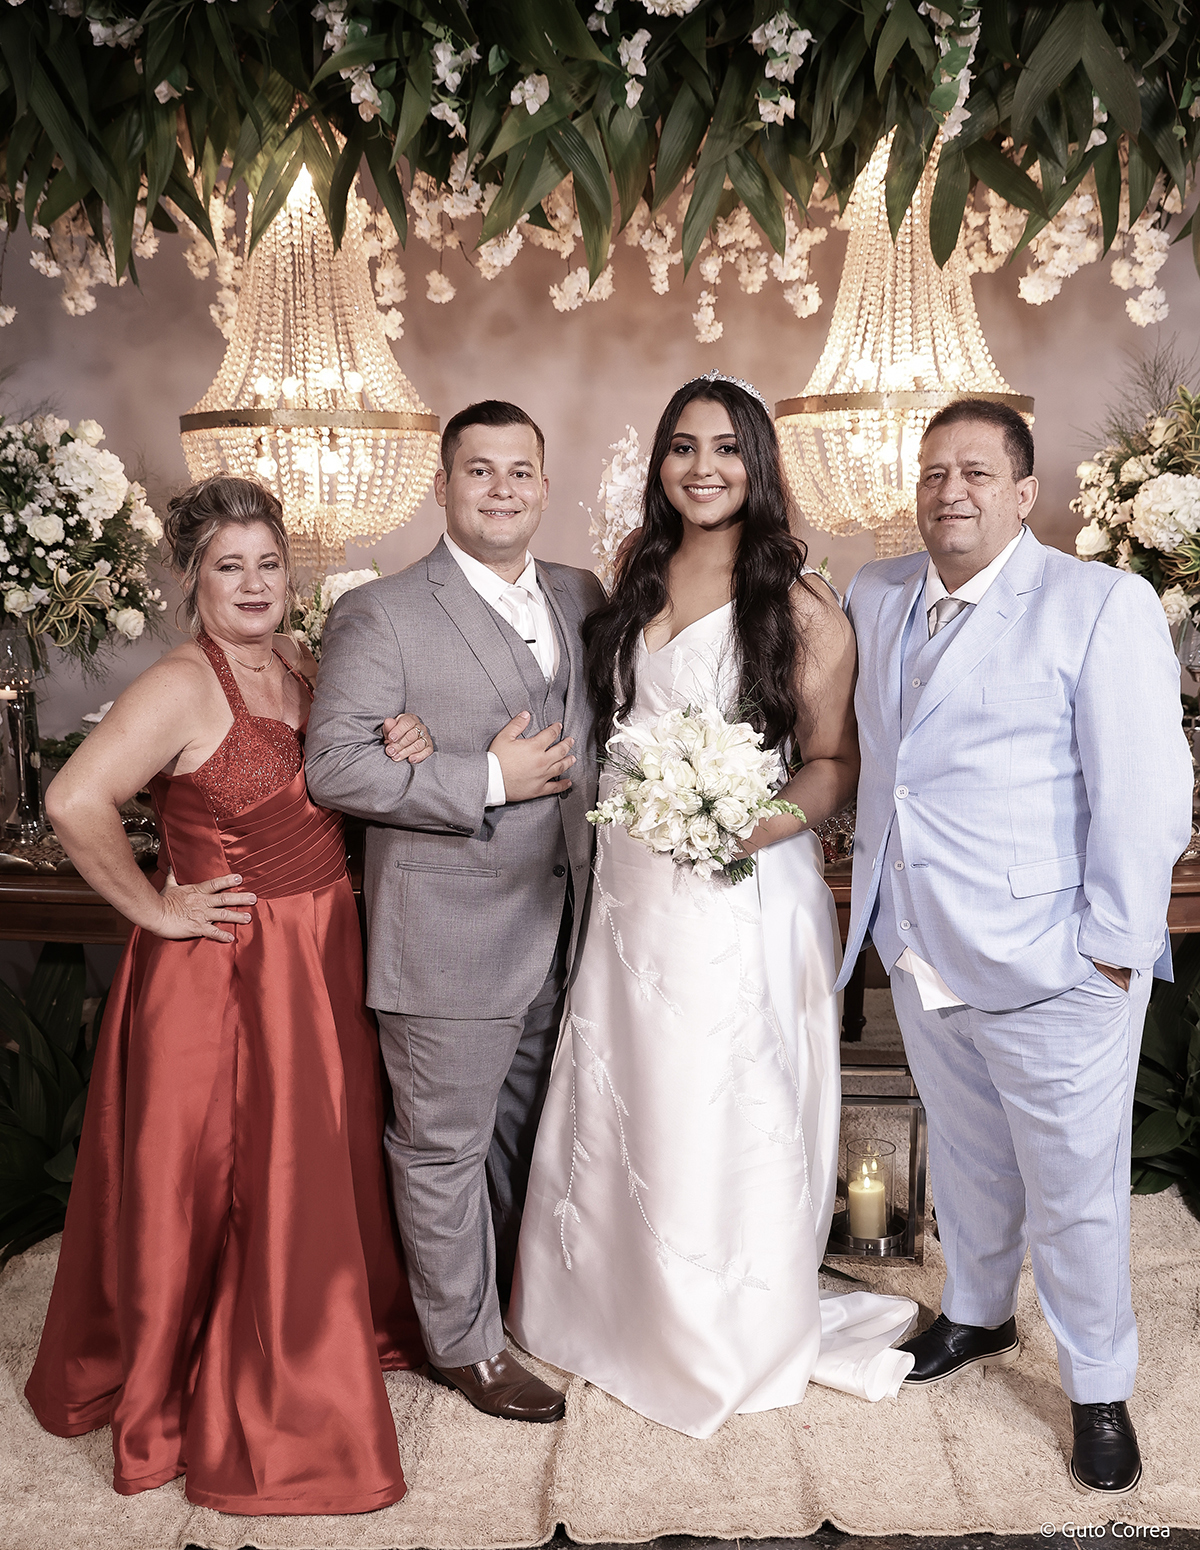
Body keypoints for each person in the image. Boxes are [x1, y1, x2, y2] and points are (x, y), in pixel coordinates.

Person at [507, 373, 918, 1439]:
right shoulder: (633, 573)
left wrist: (752, 823)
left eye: (727, 448)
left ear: (758, 464)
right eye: (683, 447)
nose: (703, 468)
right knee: (629, 1076)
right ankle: (606, 1304)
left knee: (718, 1085)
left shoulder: (800, 599)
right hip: (633, 883)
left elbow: (834, 762)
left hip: (742, 880)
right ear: (660, 464)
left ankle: (715, 1321)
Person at [24, 476, 427, 1515]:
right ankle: (233, 1379)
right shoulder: (181, 684)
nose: (252, 584)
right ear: (192, 579)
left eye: (268, 563)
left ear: (290, 572)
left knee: (314, 1158)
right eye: (227, 566)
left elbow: (348, 783)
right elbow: (73, 798)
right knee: (220, 1176)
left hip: (322, 951)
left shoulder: (302, 663)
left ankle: (324, 1326)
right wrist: (154, 909)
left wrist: (404, 742)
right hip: (228, 973)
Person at [836, 398, 1193, 1496]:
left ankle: (1098, 1386)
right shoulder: (875, 592)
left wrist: (1111, 955)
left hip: (1058, 961)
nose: (951, 491)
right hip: (921, 944)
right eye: (934, 472)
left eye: (977, 472)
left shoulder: (1099, 603)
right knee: (971, 1155)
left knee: (1076, 1190)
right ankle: (980, 1311)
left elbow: (1146, 793)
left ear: (1025, 492)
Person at [305, 400, 605, 1424]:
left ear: (546, 487)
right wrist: (483, 776)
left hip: (567, 925)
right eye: (479, 470)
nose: (501, 489)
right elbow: (335, 765)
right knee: (443, 1150)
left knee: (530, 1138)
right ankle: (465, 1349)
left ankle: (517, 1305)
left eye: (520, 471)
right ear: (443, 486)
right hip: (446, 938)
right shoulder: (381, 613)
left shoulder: (582, 593)